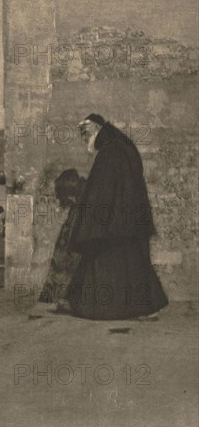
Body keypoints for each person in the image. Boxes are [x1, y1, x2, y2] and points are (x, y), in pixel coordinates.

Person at [66, 113, 168, 320]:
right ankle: (144, 308)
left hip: (116, 223)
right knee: (132, 263)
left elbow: (101, 191)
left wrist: (91, 218)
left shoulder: (111, 152)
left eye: (85, 134)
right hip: (127, 221)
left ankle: (114, 308)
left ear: (95, 129)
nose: (84, 139)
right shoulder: (119, 147)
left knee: (120, 262)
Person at [40, 169, 85, 304]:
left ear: (72, 183)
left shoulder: (83, 199)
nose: (59, 196)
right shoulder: (79, 199)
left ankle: (54, 294)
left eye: (61, 190)